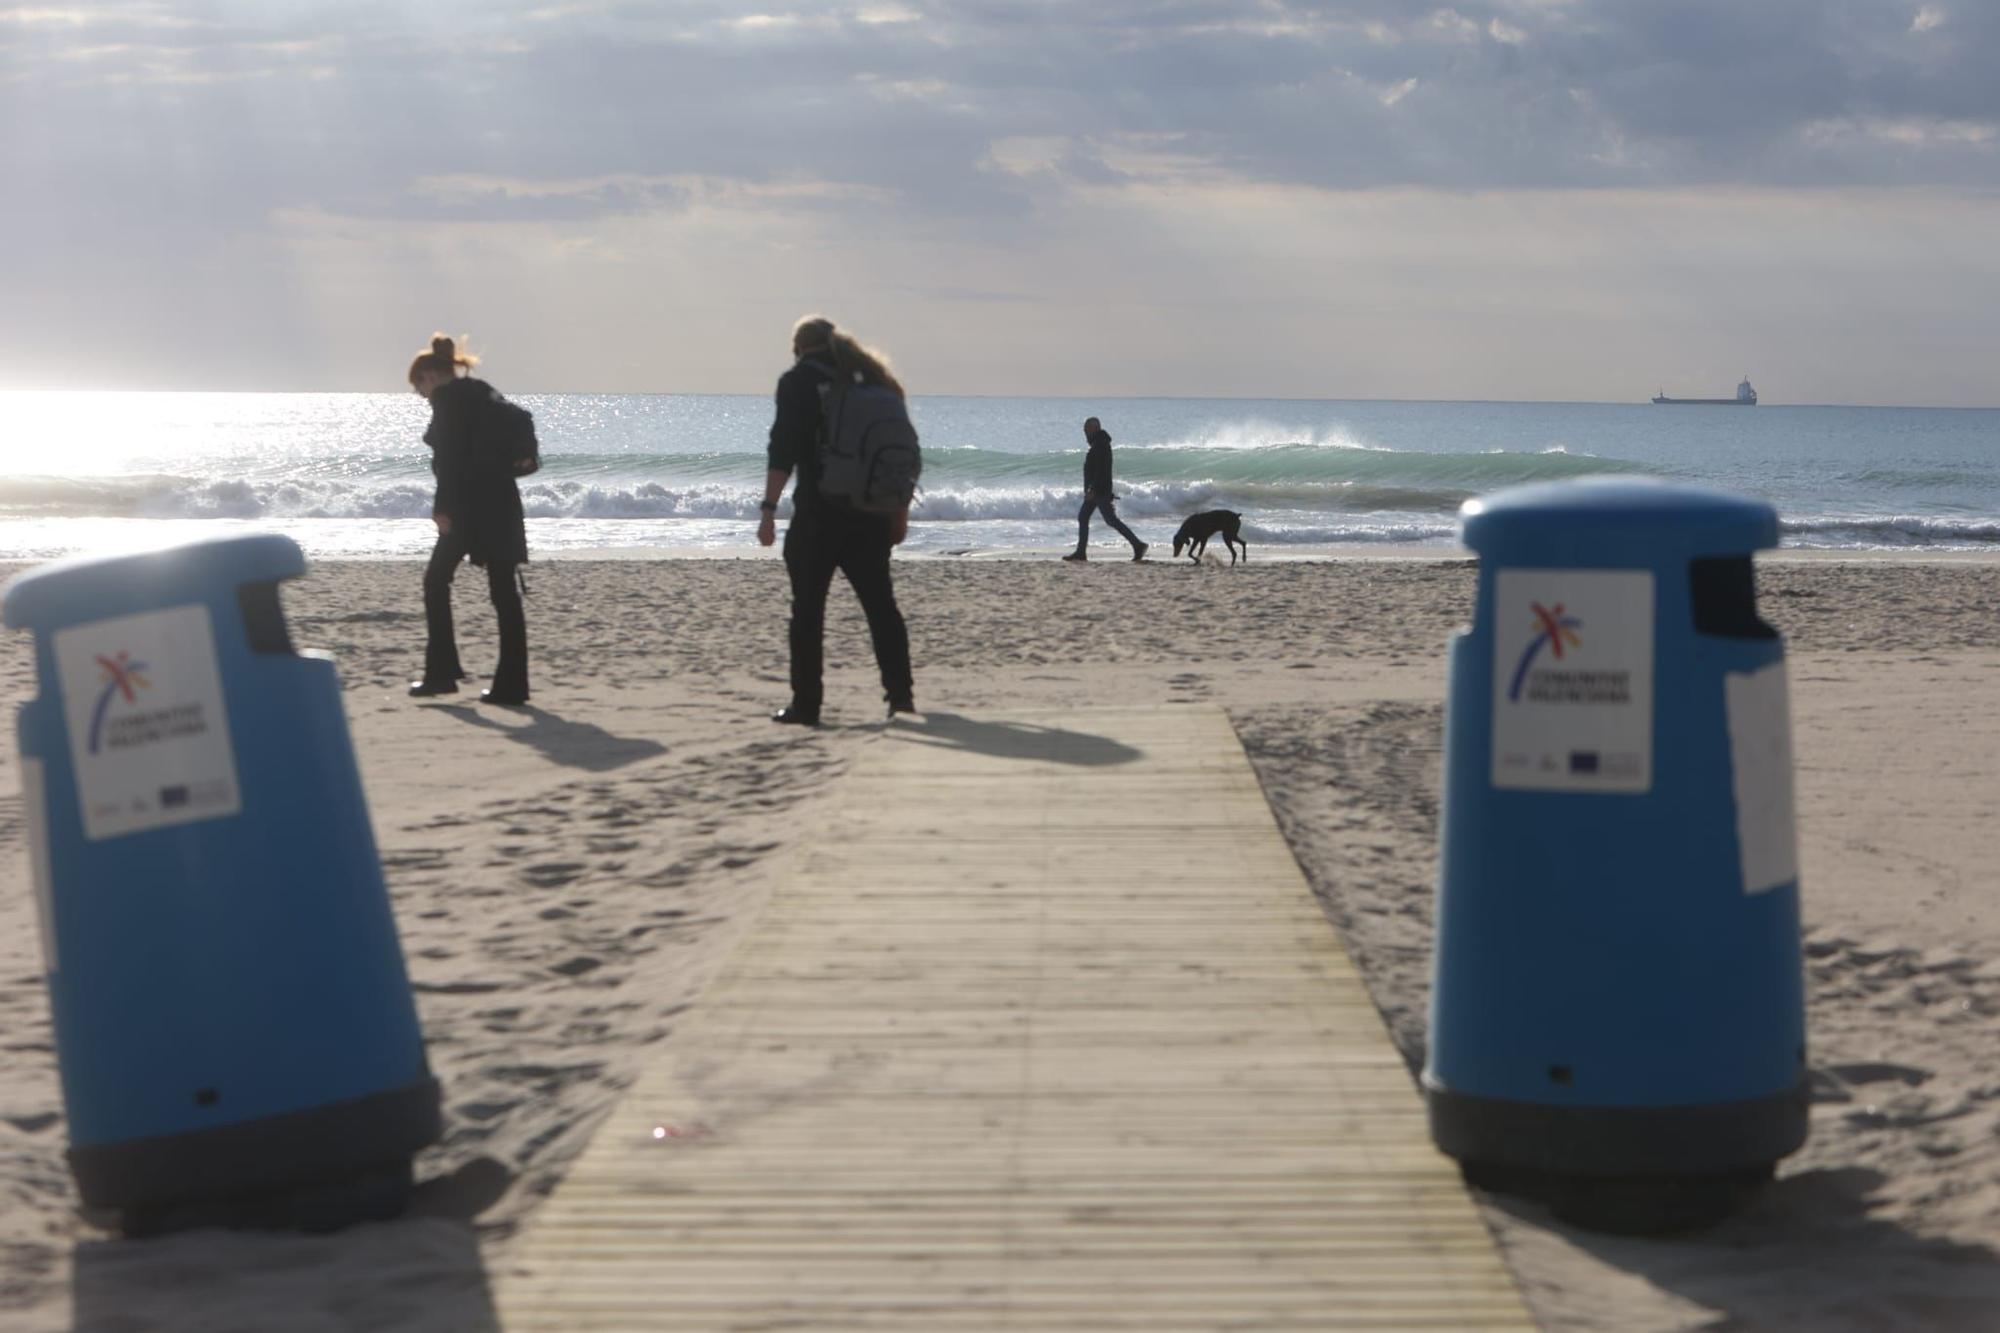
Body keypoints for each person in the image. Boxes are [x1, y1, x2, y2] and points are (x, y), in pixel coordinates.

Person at [757, 315, 915, 726]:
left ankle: (807, 705)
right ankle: (900, 699)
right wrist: (899, 513)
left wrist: (768, 511)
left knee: (808, 612)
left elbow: (783, 449)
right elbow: (896, 457)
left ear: (798, 348)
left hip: (818, 515)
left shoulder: (797, 382)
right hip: (870, 516)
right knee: (882, 608)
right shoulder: (872, 382)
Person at [406, 334, 531, 706]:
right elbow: (521, 419)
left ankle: (441, 674)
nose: (420, 395)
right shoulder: (483, 392)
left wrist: (442, 508)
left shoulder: (448, 402)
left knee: (435, 581)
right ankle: (513, 686)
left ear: (429, 376)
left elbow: (450, 460)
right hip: (502, 504)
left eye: (418, 387)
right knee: (504, 594)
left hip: (467, 509)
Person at [1064, 416, 1147, 562]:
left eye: (1087, 429)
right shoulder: (1098, 443)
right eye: (1084, 429)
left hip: (1099, 491)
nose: (1084, 432)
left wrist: (1093, 489)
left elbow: (1101, 471)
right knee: (1084, 517)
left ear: (1094, 428)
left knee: (1110, 520)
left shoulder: (1101, 445)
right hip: (1096, 490)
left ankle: (1138, 545)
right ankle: (1081, 552)